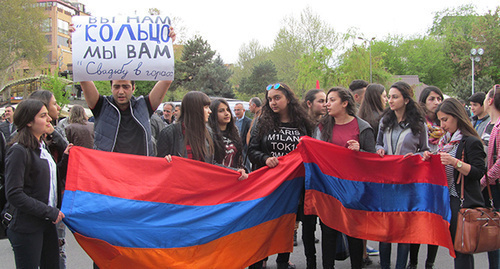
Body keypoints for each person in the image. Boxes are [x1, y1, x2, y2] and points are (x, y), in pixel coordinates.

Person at [248, 83, 314, 269]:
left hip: (293, 185)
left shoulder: (302, 123)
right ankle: (259, 260)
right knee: (264, 225)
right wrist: (266, 158)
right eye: (269, 99)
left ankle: (283, 261)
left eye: (277, 98)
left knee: (286, 224)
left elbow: (310, 150)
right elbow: (251, 150)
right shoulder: (262, 122)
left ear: (288, 99)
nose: (272, 102)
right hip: (268, 184)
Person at [314, 87, 376, 269]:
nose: (327, 104)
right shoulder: (322, 126)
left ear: (345, 103)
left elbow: (373, 161)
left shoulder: (363, 127)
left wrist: (360, 151)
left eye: (331, 100)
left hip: (354, 191)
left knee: (354, 233)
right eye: (326, 100)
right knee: (328, 232)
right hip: (329, 188)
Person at [422, 98, 486, 269]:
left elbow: (479, 172)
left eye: (445, 120)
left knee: (462, 250)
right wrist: (431, 159)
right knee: (456, 250)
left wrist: (454, 162)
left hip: (463, 204)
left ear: (457, 117)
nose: (442, 125)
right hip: (448, 201)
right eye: (440, 120)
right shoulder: (446, 142)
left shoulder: (470, 141)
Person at [3, 99, 67, 269]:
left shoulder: (42, 146)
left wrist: (66, 157)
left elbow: (51, 179)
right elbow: (14, 193)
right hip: (27, 227)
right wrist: (49, 211)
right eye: (43, 115)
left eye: (48, 115)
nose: (49, 119)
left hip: (47, 223)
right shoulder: (18, 150)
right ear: (29, 121)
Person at [376, 81, 429, 269]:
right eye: (389, 96)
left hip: (408, 182)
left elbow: (426, 151)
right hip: (387, 181)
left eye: (395, 96)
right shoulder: (385, 120)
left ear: (406, 100)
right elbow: (378, 144)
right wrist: (380, 149)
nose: (390, 100)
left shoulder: (419, 124)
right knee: (385, 229)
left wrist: (414, 156)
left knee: (403, 229)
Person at [157, 92, 247, 178]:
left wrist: (234, 171)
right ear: (195, 109)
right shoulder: (169, 133)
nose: (210, 111)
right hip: (180, 188)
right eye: (206, 107)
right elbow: (159, 169)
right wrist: (164, 162)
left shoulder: (208, 132)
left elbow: (210, 164)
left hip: (202, 188)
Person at [28, 90, 69, 269]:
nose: (57, 108)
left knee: (56, 252)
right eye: (53, 104)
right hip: (35, 211)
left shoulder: (49, 137)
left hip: (54, 204)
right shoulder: (22, 146)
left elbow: (56, 170)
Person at [407, 86, 445, 269]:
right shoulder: (417, 123)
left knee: (435, 221)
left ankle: (430, 262)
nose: (436, 102)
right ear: (423, 101)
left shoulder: (447, 125)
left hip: (438, 179)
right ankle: (412, 261)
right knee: (417, 220)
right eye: (432, 99)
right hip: (419, 179)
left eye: (439, 98)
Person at [480, 84, 500, 269]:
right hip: (489, 186)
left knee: (496, 231)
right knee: (492, 232)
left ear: (490, 100)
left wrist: (484, 181)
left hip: (495, 185)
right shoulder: (488, 124)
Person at [208, 98, 244, 169]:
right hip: (217, 176)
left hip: (235, 176)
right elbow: (210, 162)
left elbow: (239, 158)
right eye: (221, 111)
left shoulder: (234, 132)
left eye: (227, 110)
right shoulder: (209, 133)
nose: (226, 113)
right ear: (213, 114)